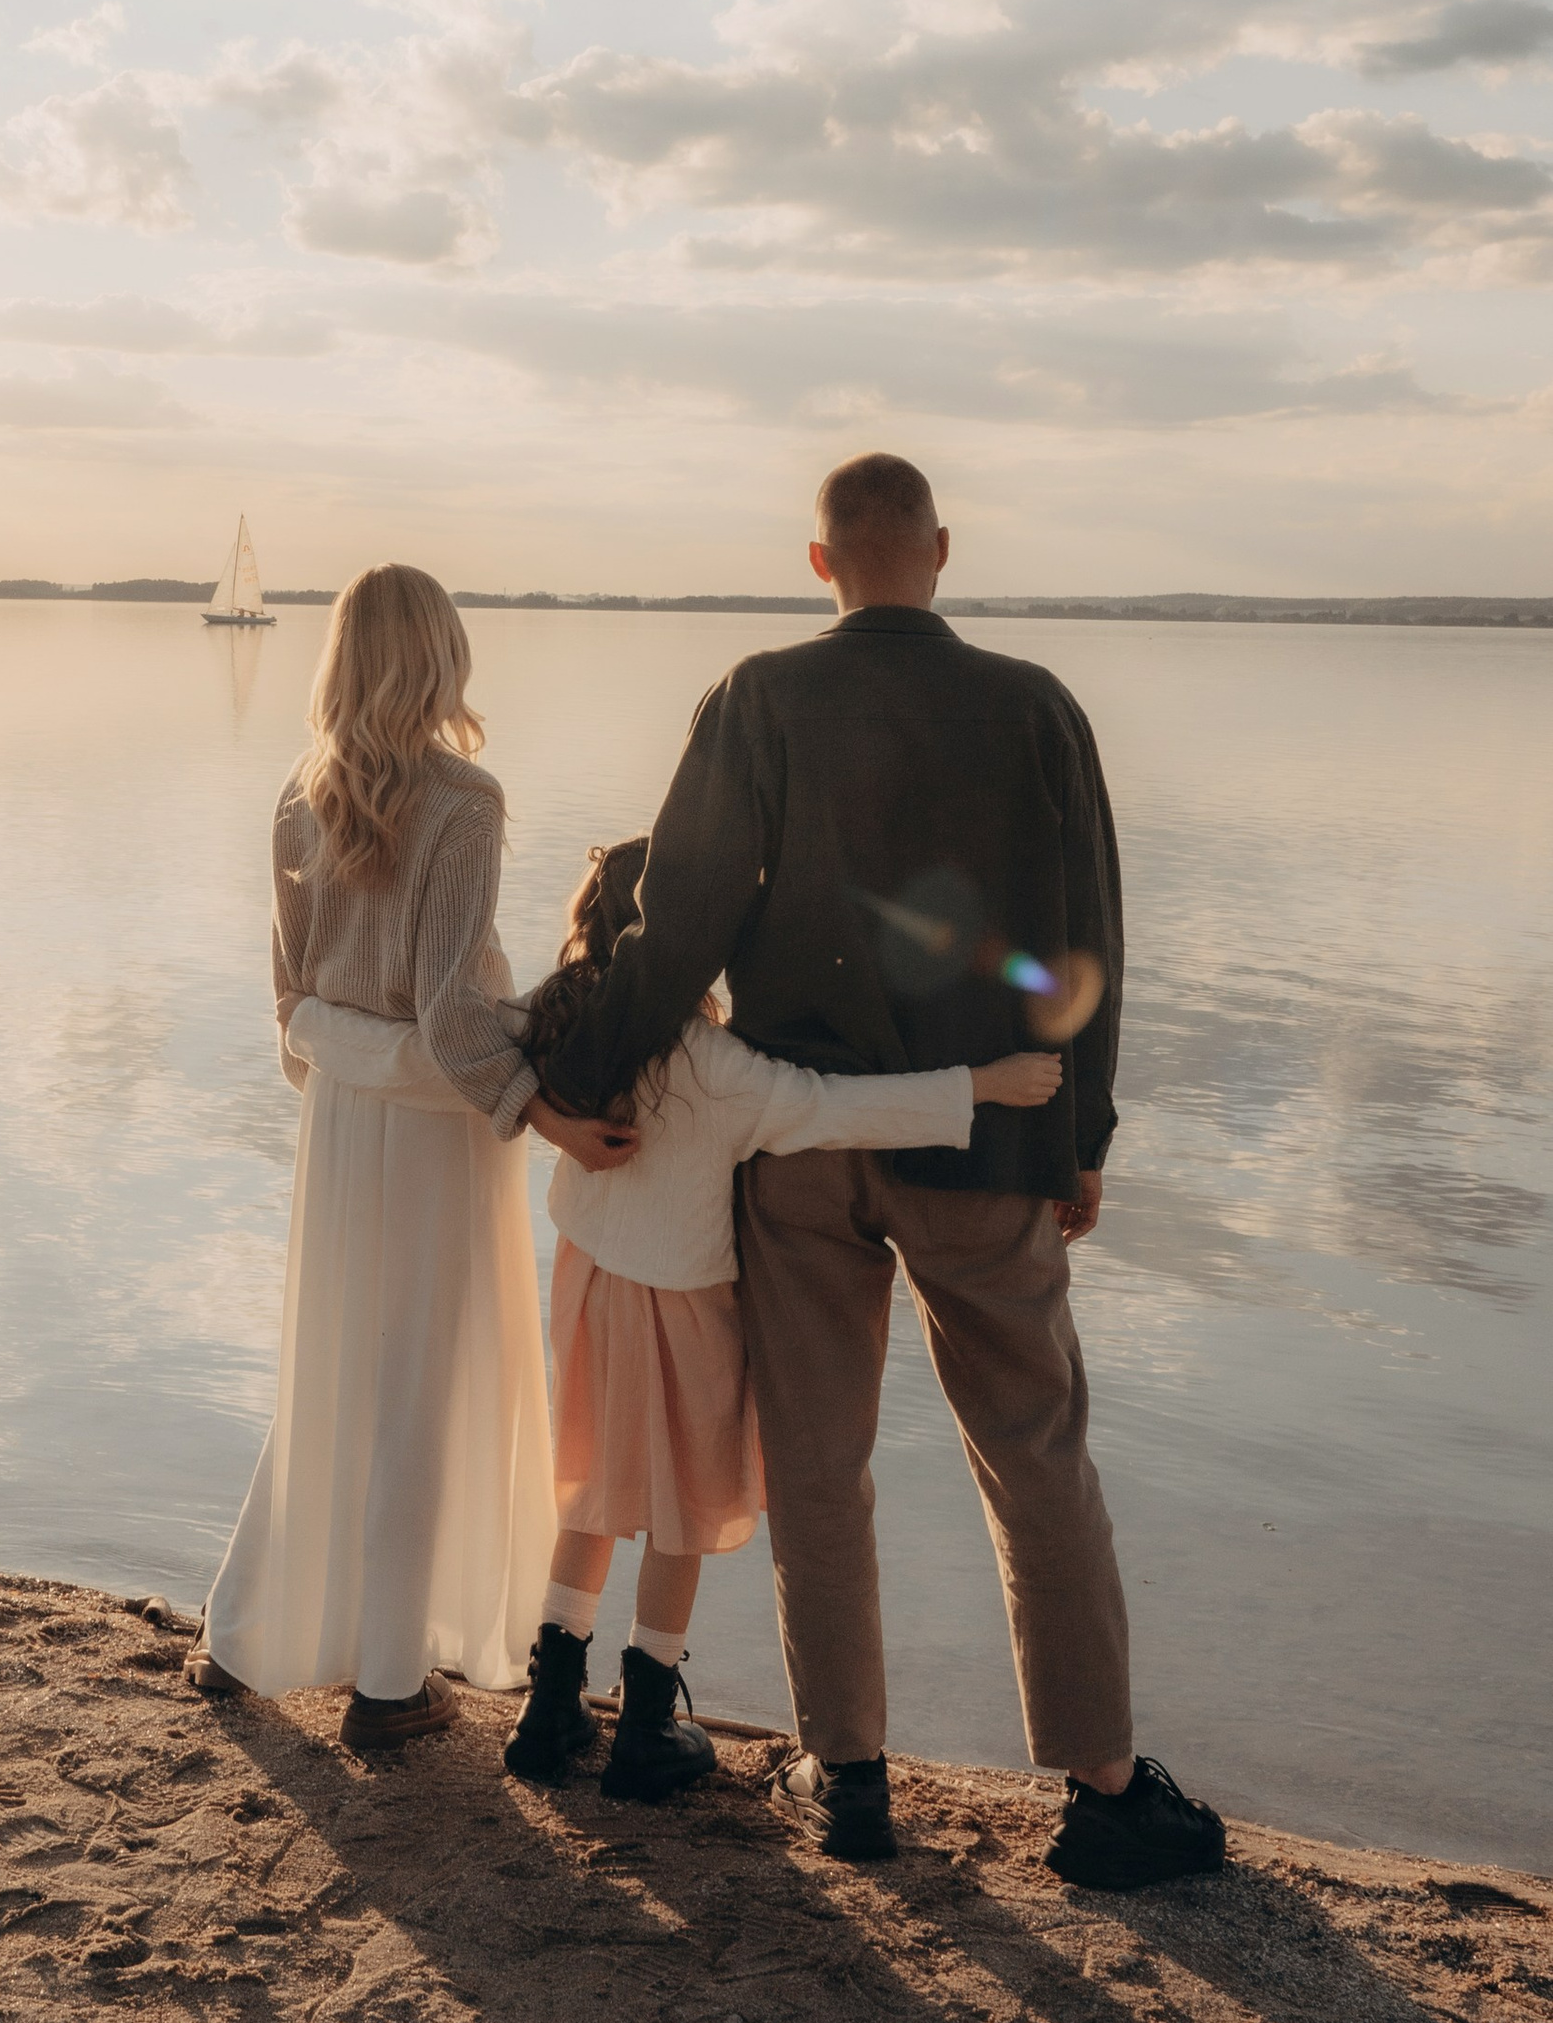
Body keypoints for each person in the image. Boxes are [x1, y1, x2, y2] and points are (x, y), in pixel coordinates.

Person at [533, 453, 1226, 1892]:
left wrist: (590, 1078)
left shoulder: (758, 696)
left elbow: (680, 920)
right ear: (942, 549)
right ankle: (1104, 1789)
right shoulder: (1037, 706)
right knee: (1035, 1453)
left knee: (818, 1464)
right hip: (991, 1145)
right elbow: (1087, 939)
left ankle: (845, 1776)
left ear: (818, 561)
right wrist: (1082, 1138)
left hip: (803, 1149)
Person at [509, 836, 1063, 1803]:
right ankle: (644, 1725)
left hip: (589, 1285)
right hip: (686, 1302)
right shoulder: (717, 1066)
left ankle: (547, 1708)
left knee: (593, 1487)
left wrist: (537, 1116)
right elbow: (837, 1106)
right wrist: (982, 1085)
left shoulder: (556, 1021)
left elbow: (474, 1045)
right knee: (683, 1508)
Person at [194, 563, 635, 1747]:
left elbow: (290, 997)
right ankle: (389, 1682)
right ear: (440, 655)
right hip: (438, 1125)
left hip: (343, 1116)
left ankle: (241, 1635)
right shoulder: (464, 802)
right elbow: (448, 1013)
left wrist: (340, 1065)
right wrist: (540, 1105)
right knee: (421, 1384)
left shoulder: (298, 795)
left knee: (334, 1365)